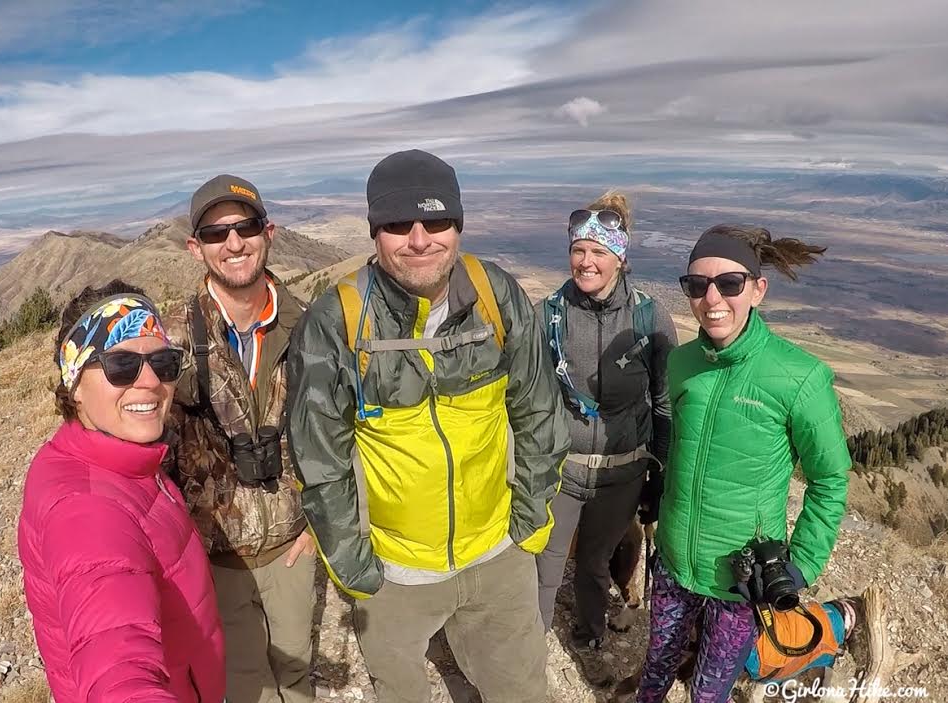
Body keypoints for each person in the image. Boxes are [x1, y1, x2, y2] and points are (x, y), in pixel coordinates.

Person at [287, 149, 570, 703]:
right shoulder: (337, 321)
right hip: (395, 572)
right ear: (375, 233)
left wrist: (530, 521)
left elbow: (539, 410)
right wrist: (355, 568)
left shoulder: (496, 295)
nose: (419, 240)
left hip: (498, 554)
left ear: (458, 225)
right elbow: (318, 456)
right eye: (397, 224)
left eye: (435, 220)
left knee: (521, 691)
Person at [636, 225, 851, 703]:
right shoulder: (682, 363)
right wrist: (660, 487)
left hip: (740, 582)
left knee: (708, 692)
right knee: (654, 671)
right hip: (672, 561)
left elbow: (830, 480)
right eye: (696, 285)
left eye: (729, 283)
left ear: (758, 289)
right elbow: (686, 445)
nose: (712, 297)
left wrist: (802, 564)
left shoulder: (800, 377)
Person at [18, 281, 225, 703]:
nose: (150, 381)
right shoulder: (87, 509)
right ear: (74, 385)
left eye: (164, 363)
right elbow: (117, 663)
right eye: (121, 365)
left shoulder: (120, 460)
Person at [162, 175, 315, 703]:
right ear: (194, 246)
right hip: (216, 557)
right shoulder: (172, 341)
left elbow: (335, 429)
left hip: (294, 546)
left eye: (245, 226)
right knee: (243, 683)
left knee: (297, 672)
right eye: (214, 232)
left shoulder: (310, 328)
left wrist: (319, 522)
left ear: (267, 231)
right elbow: (149, 450)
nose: (233, 243)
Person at [534, 192, 677, 676]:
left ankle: (590, 636)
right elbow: (529, 396)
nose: (586, 261)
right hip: (563, 467)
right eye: (578, 250)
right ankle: (528, 649)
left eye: (598, 252)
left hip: (623, 472)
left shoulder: (648, 317)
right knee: (546, 564)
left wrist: (659, 472)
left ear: (620, 256)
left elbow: (663, 401)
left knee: (595, 564)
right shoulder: (549, 314)